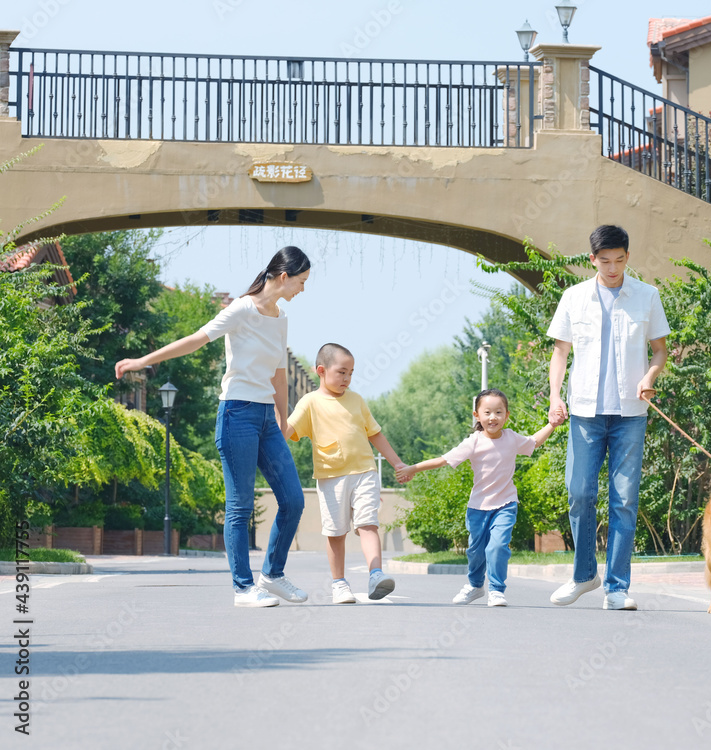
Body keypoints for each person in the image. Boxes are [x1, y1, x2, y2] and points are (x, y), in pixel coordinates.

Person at [115, 246, 311, 608]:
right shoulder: (240, 309)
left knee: (294, 500)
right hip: (236, 413)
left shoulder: (281, 317)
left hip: (267, 418)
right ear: (284, 277)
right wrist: (143, 360)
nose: (302, 289)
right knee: (240, 507)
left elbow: (280, 373)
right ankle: (243, 588)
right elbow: (194, 340)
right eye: (301, 281)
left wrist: (283, 419)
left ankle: (272, 574)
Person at [547, 225, 669, 610]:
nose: (613, 268)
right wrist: (554, 396)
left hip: (630, 414)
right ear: (592, 260)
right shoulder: (574, 298)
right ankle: (585, 575)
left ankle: (617, 588)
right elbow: (560, 353)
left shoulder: (647, 297)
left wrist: (649, 377)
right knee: (580, 493)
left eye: (619, 260)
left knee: (624, 500)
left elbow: (661, 351)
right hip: (584, 412)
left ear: (628, 257)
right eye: (605, 261)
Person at [396, 389, 561, 607]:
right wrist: (412, 469)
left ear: (507, 415)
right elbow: (443, 460)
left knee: (497, 547)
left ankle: (496, 590)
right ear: (477, 416)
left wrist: (552, 425)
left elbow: (534, 442)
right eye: (487, 412)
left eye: (498, 412)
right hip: (478, 507)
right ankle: (475, 586)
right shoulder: (473, 442)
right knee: (475, 551)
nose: (493, 417)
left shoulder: (511, 438)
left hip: (506, 504)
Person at [285, 343, 405, 603]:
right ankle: (339, 584)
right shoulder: (310, 402)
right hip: (331, 477)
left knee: (368, 524)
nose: (347, 378)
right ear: (321, 370)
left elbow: (375, 434)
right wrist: (275, 406)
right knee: (336, 533)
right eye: (341, 372)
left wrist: (397, 463)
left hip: (364, 471)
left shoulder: (356, 400)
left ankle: (376, 574)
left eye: (351, 373)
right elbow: (288, 432)